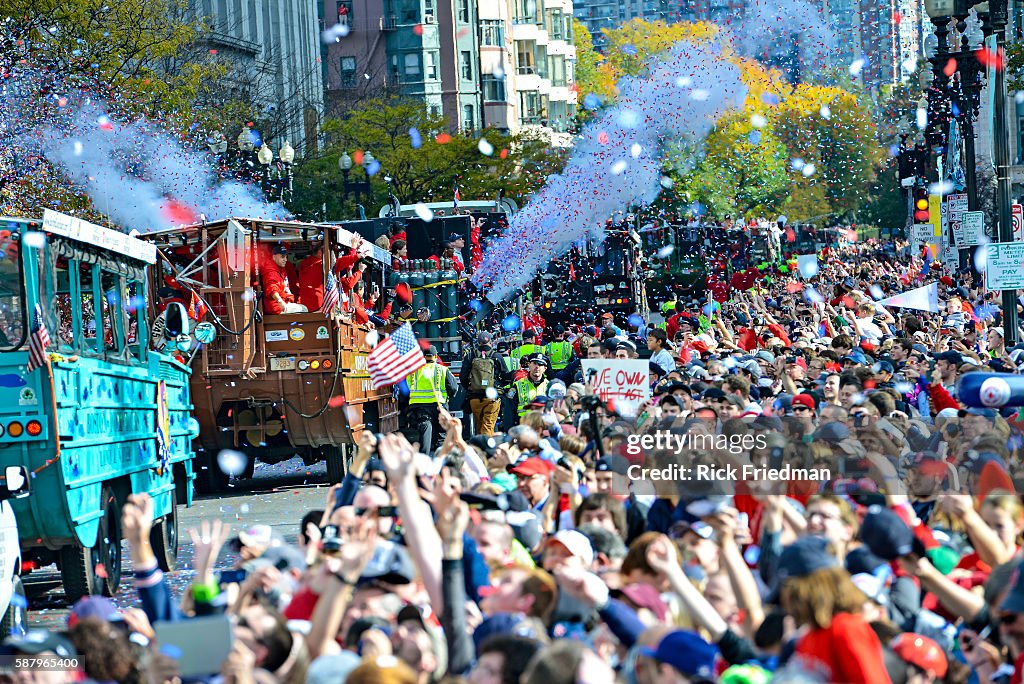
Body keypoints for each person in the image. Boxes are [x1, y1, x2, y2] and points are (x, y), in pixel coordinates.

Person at [404, 346, 459, 456]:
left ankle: (424, 457)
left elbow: (407, 387)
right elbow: (453, 387)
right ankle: (441, 456)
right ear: (435, 356)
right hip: (439, 405)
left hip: (419, 406)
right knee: (442, 431)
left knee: (425, 428)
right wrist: (449, 396)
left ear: (423, 357)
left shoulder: (414, 371)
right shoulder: (442, 369)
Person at [461, 331, 506, 436]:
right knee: (488, 426)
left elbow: (463, 376)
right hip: (492, 398)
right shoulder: (497, 356)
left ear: (478, 343)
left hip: (474, 397)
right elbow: (505, 376)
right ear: (490, 342)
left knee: (479, 426)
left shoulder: (470, 355)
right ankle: (487, 448)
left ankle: (479, 448)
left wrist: (470, 388)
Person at [262, 244, 307, 314]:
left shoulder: (280, 269)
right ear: (274, 257)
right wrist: (280, 301)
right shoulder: (271, 271)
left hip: (283, 303)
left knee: (302, 307)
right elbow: (272, 288)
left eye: (286, 257)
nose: (285, 260)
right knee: (304, 309)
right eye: (282, 257)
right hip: (277, 307)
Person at [508, 354, 551, 421]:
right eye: (534, 363)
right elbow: (509, 409)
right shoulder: (517, 385)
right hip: (523, 424)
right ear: (529, 365)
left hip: (543, 425)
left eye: (540, 365)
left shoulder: (549, 386)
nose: (537, 367)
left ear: (545, 368)